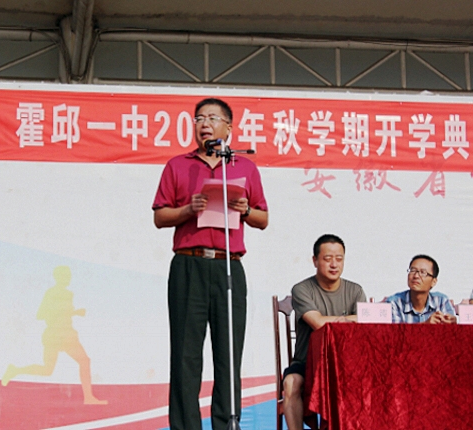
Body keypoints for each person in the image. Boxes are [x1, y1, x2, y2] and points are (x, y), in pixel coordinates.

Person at [152, 97, 268, 430]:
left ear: (228, 128)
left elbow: (263, 218)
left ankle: (226, 424)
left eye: (213, 118)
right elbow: (160, 217)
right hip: (189, 266)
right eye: (199, 118)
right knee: (185, 355)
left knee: (228, 354)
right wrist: (188, 210)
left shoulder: (244, 167)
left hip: (228, 266)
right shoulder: (178, 165)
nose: (204, 124)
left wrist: (246, 210)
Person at [283, 234, 366, 430]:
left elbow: (366, 322)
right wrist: (350, 319)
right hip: (307, 363)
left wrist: (344, 320)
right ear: (315, 260)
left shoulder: (355, 290)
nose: (334, 264)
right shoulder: (302, 289)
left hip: (345, 365)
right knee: (291, 383)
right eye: (328, 259)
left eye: (339, 259)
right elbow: (318, 323)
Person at [1, 266, 107, 404]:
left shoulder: (69, 294)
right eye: (65, 275)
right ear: (57, 277)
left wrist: (74, 312)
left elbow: (64, 313)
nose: (68, 278)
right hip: (55, 334)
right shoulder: (51, 293)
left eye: (69, 275)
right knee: (48, 370)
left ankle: (88, 397)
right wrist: (65, 311)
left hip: (67, 333)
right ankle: (15, 370)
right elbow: (40, 314)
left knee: (84, 361)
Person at [386, 254, 456, 324]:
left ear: (433, 282)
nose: (416, 276)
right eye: (412, 270)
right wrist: (426, 325)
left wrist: (452, 326)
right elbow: (394, 331)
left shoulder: (442, 301)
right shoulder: (394, 303)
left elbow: (449, 329)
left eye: (423, 272)